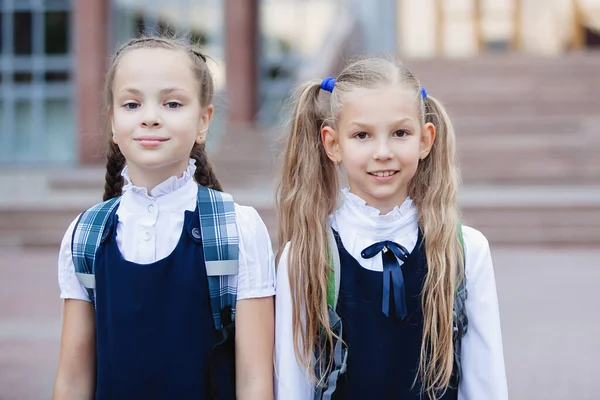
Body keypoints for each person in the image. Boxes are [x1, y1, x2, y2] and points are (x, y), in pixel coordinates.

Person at [53, 36, 275, 400]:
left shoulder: (238, 229)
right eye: (131, 103)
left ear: (204, 121)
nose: (151, 117)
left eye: (172, 103)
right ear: (112, 120)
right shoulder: (85, 235)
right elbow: (73, 380)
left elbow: (254, 381)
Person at [275, 56, 508, 399]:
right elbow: (291, 386)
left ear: (425, 140)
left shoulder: (465, 249)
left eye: (400, 133)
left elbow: (486, 383)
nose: (382, 152)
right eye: (362, 135)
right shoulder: (305, 256)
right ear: (333, 145)